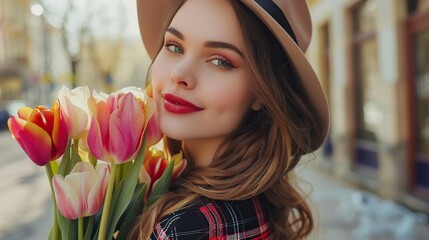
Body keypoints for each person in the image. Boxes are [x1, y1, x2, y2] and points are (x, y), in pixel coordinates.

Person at [132, 0, 329, 239]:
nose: (180, 74)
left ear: (262, 93)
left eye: (220, 61)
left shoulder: (183, 230)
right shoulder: (258, 199)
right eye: (174, 46)